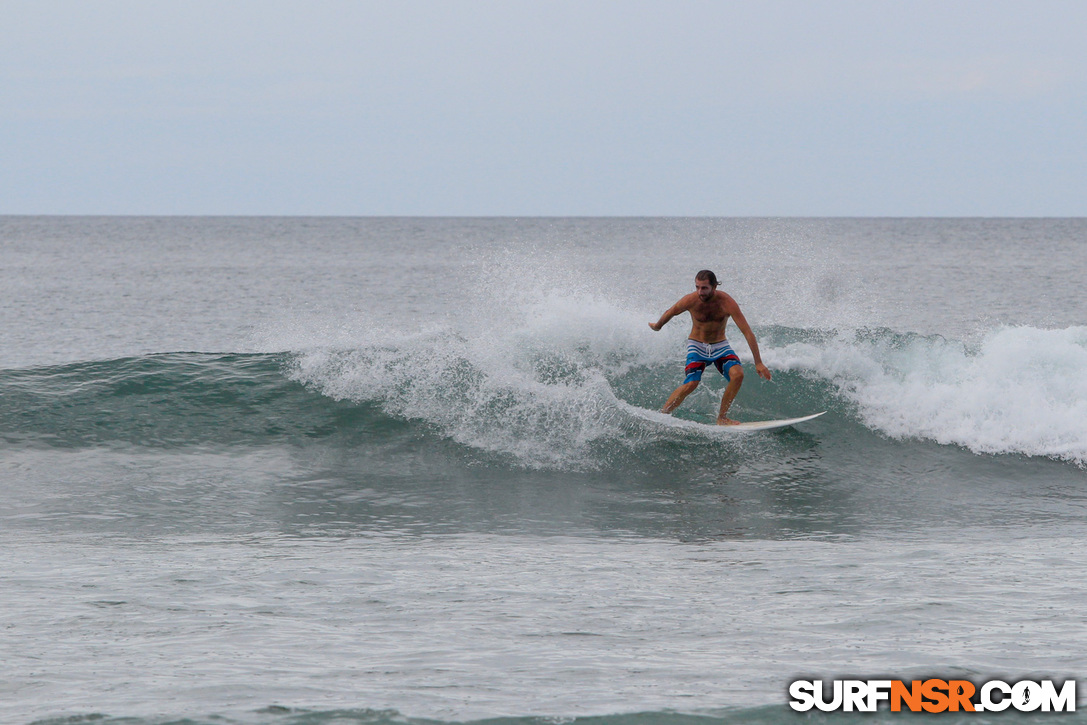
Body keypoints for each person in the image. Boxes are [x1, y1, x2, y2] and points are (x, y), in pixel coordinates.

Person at [648, 270, 771, 425]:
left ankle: (722, 418)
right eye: (697, 287)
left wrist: (758, 362)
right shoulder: (690, 300)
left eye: (704, 288)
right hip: (697, 345)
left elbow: (747, 332)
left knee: (738, 375)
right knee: (692, 383)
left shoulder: (727, 302)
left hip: (720, 346)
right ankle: (662, 415)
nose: (700, 292)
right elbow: (671, 312)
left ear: (714, 287)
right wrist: (658, 326)